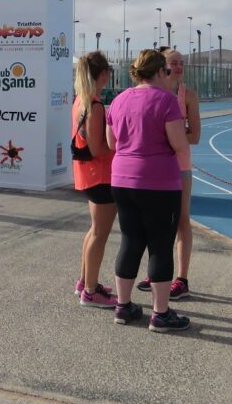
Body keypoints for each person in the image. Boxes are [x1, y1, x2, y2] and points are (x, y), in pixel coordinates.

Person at [107, 49, 191, 332]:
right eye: (166, 71)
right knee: (160, 245)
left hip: (121, 179)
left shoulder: (118, 100)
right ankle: (161, 312)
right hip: (158, 182)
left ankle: (123, 305)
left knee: (130, 240)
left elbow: (111, 142)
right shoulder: (166, 100)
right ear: (158, 72)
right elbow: (180, 144)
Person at [136, 48, 201, 300]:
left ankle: (182, 279)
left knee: (182, 220)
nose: (179, 67)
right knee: (155, 222)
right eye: (174, 62)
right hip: (154, 166)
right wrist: (172, 132)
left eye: (182, 63)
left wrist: (164, 134)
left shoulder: (188, 96)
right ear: (161, 66)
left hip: (180, 166)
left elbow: (195, 136)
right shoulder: (152, 92)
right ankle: (157, 272)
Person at [72, 51, 118, 309]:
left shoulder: (81, 100)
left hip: (89, 173)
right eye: (108, 72)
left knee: (93, 231)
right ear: (102, 74)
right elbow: (98, 148)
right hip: (100, 175)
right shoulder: (95, 105)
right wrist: (121, 145)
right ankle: (90, 292)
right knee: (100, 234)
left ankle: (85, 281)